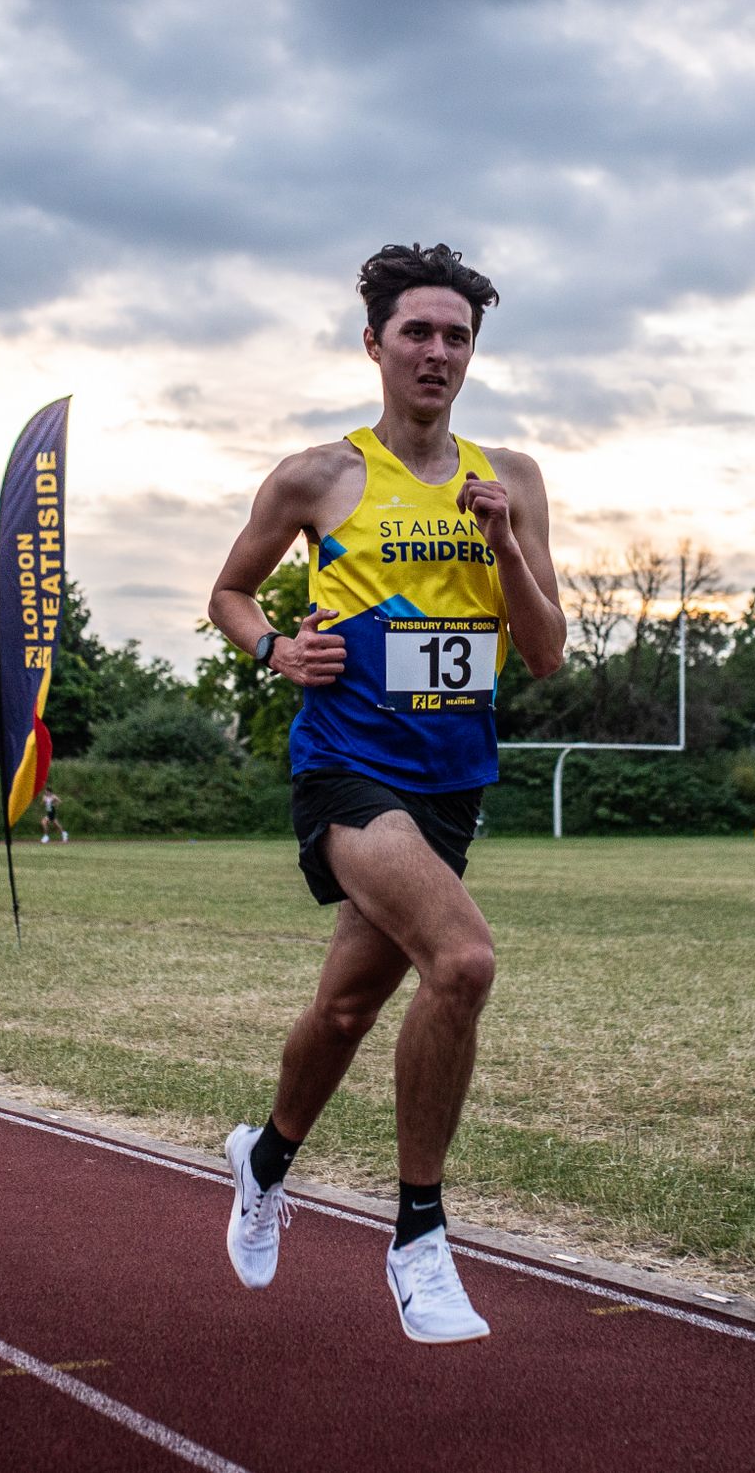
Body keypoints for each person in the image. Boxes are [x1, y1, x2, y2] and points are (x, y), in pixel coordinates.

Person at [205, 243, 565, 1345]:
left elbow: (546, 652)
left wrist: (503, 544)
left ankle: (265, 1159)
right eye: (418, 331)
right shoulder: (319, 477)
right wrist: (275, 650)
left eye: (457, 335)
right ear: (375, 344)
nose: (438, 352)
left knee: (348, 1010)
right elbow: (229, 594)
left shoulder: (512, 480)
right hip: (346, 767)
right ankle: (419, 1235)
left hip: (451, 781)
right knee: (463, 962)